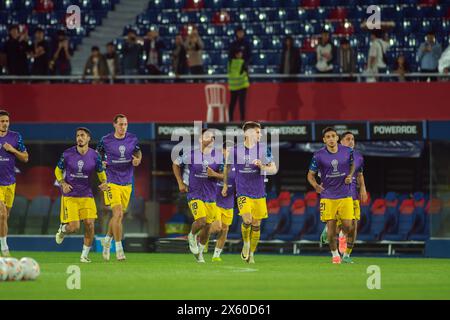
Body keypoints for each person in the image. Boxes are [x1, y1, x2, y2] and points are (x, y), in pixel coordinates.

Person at [222, 122, 277, 264]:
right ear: (247, 134)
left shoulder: (264, 149)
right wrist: (225, 185)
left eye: (260, 132)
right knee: (247, 220)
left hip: (259, 192)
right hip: (243, 191)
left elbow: (274, 169)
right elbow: (227, 168)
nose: (260, 135)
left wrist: (263, 166)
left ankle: (252, 254)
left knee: (256, 224)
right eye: (257, 132)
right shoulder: (234, 151)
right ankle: (246, 243)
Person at [54, 127, 108, 263]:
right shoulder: (67, 154)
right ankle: (63, 229)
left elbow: (101, 174)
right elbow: (57, 171)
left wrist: (104, 182)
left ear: (88, 138)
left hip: (87, 195)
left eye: (82, 135)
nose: (79, 138)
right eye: (78, 135)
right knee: (74, 227)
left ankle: (84, 255)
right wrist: (62, 183)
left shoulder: (95, 156)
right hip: (70, 196)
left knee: (90, 224)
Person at [172, 129, 223, 263]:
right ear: (200, 139)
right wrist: (180, 183)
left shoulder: (219, 157)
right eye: (207, 137)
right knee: (201, 221)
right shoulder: (191, 154)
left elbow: (226, 176)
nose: (211, 139)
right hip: (195, 194)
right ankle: (191, 235)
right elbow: (176, 164)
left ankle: (200, 253)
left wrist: (215, 175)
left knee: (207, 226)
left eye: (213, 137)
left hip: (211, 196)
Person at [307, 127, 355, 264]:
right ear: (324, 140)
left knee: (348, 226)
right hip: (327, 196)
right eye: (328, 137)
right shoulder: (318, 155)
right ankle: (335, 255)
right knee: (330, 228)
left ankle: (342, 236)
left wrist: (350, 175)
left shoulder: (347, 151)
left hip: (345, 194)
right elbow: (310, 175)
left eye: (333, 136)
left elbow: (352, 165)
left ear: (337, 138)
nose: (331, 139)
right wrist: (316, 186)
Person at [97, 114, 142, 261]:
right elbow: (96, 156)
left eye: (125, 124)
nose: (123, 127)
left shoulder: (132, 138)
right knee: (118, 215)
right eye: (121, 124)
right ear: (114, 125)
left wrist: (138, 160)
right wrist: (101, 165)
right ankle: (119, 249)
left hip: (127, 182)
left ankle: (107, 241)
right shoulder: (105, 140)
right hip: (112, 181)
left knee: (117, 216)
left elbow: (137, 152)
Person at [320, 131, 367, 264]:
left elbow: (359, 174)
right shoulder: (332, 155)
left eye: (353, 139)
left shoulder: (358, 157)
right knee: (337, 226)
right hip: (335, 195)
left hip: (352, 196)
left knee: (353, 226)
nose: (351, 141)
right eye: (348, 139)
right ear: (341, 141)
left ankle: (346, 255)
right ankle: (335, 249)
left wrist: (363, 188)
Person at [0, 110, 29, 257]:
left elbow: (25, 158)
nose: (5, 123)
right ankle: (5, 248)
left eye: (6, 121)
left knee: (5, 217)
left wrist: (12, 150)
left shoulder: (15, 137)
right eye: (2, 121)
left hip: (10, 182)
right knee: (2, 215)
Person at [210, 140, 236, 262]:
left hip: (229, 202)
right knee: (217, 227)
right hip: (215, 200)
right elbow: (209, 174)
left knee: (225, 229)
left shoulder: (239, 164)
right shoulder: (216, 161)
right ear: (223, 150)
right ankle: (200, 237)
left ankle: (216, 255)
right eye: (229, 150)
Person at [228, 50, 249, 121]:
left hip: (233, 86)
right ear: (236, 54)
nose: (241, 54)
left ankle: (230, 120)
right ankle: (242, 121)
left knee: (232, 104)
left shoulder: (230, 63)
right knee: (241, 104)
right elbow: (246, 73)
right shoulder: (243, 62)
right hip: (242, 86)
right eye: (239, 53)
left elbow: (229, 73)